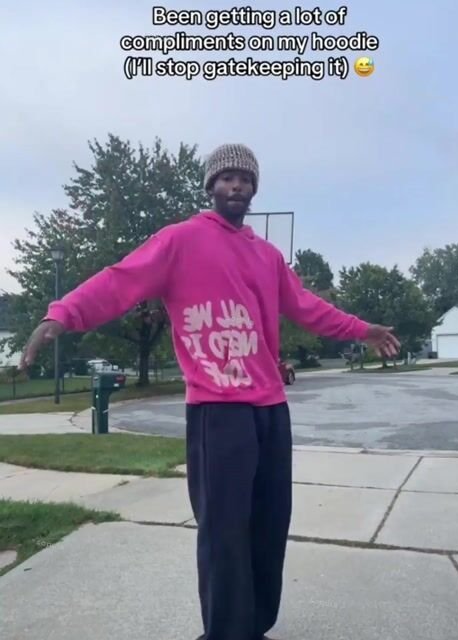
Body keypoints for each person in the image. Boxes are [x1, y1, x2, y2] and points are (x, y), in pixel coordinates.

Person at [20, 143, 400, 640]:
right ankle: (224, 631)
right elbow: (119, 281)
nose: (236, 185)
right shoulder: (179, 241)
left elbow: (308, 307)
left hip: (270, 410)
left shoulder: (267, 256)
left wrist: (362, 329)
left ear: (254, 189)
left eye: (245, 178)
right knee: (224, 532)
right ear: (211, 187)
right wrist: (61, 315)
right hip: (218, 411)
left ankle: (254, 626)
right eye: (226, 178)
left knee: (268, 526)